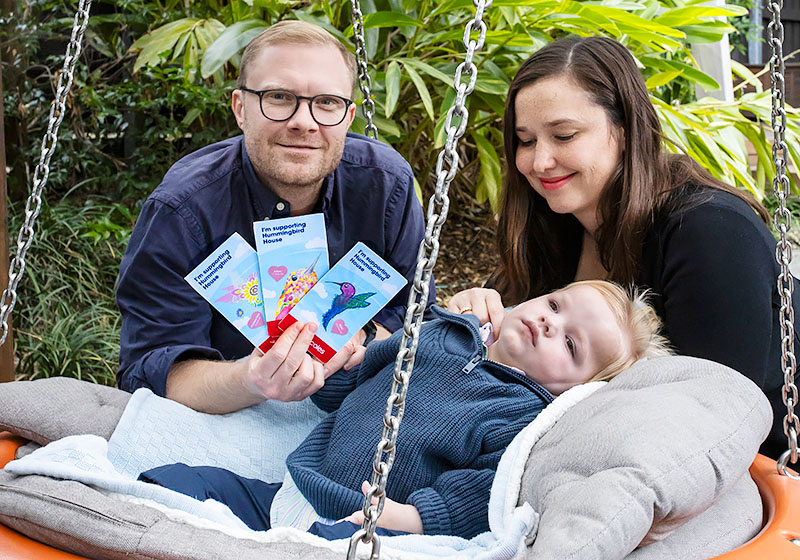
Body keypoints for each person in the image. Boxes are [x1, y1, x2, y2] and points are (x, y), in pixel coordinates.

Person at [446, 35, 800, 460]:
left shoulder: (710, 230)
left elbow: (717, 420)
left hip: (758, 471)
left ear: (626, 130)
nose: (539, 162)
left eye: (564, 135)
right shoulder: (552, 228)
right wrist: (470, 317)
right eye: (525, 141)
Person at [140, 280, 671, 539]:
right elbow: (360, 377)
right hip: (295, 487)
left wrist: (409, 517)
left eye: (572, 346)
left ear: (569, 392)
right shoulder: (441, 332)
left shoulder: (519, 415)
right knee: (177, 480)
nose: (550, 324)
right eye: (555, 305)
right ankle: (157, 528)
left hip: (367, 522)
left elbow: (479, 488)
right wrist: (335, 367)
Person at [115, 21, 434, 414]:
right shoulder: (182, 211)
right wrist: (251, 379)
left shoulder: (386, 186)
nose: (304, 121)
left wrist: (364, 335)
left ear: (349, 116)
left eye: (327, 102)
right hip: (226, 421)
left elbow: (418, 312)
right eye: (279, 97)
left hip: (359, 415)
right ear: (240, 109)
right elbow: (152, 372)